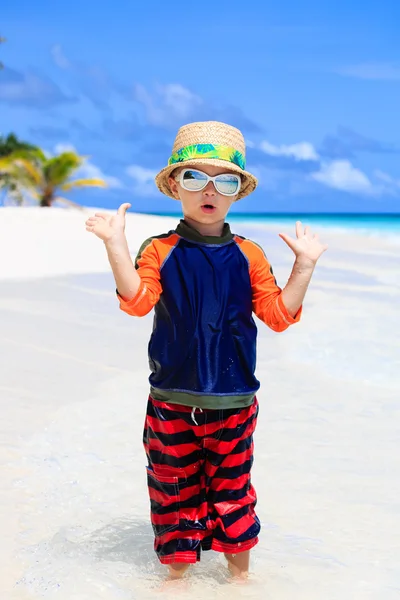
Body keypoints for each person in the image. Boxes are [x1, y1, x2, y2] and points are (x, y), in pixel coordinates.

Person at [85, 120, 327, 581]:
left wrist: (305, 265)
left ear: (238, 192)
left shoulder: (249, 254)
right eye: (195, 177)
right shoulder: (159, 249)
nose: (209, 189)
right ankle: (177, 582)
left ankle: (240, 582)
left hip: (234, 404)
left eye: (225, 180)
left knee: (233, 492)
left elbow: (278, 315)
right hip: (172, 398)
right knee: (172, 491)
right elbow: (137, 303)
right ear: (175, 185)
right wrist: (115, 245)